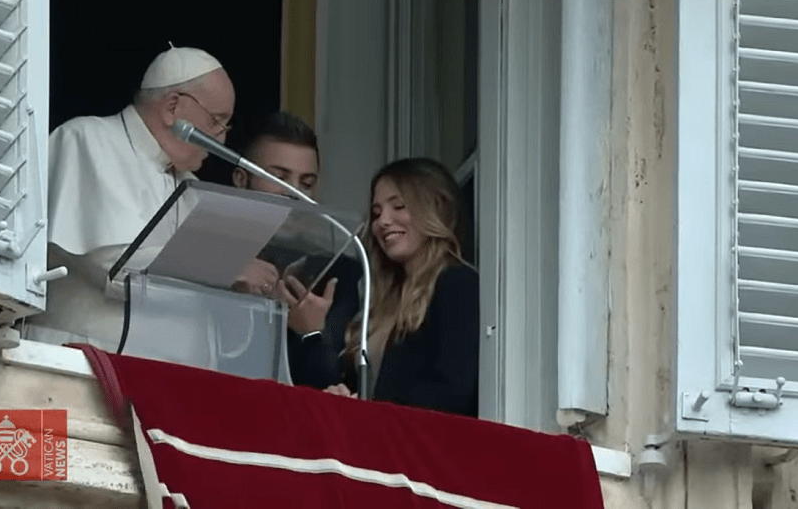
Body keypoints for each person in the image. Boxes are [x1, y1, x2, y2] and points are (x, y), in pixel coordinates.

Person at [25, 46, 236, 351]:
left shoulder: (193, 190)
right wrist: (222, 265)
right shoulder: (87, 140)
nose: (221, 139)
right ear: (172, 108)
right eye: (216, 121)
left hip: (168, 380)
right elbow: (113, 265)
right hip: (81, 366)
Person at [303, 157, 480, 417]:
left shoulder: (458, 283)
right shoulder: (384, 301)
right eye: (376, 213)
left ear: (437, 209)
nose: (383, 221)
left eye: (398, 206)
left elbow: (452, 389)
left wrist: (373, 411)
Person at [226, 111, 363, 389]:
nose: (295, 193)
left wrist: (309, 330)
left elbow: (332, 388)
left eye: (307, 183)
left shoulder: (339, 274)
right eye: (279, 177)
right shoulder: (209, 258)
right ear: (241, 180)